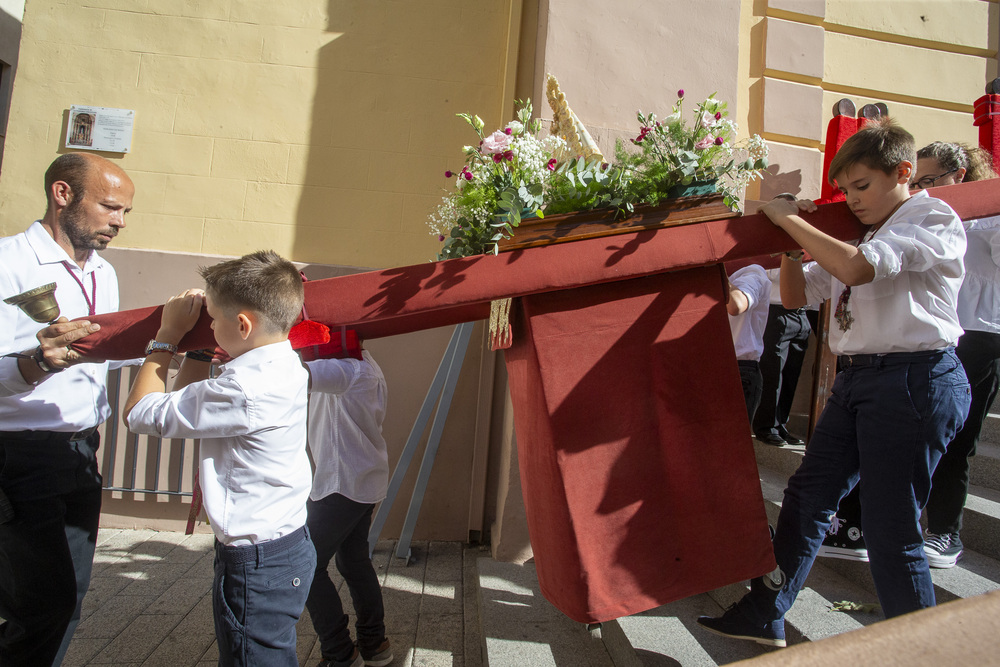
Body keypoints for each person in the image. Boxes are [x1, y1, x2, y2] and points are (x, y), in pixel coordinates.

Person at [697, 118, 971, 647]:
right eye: (845, 191)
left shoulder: (932, 216)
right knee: (806, 497)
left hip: (914, 380)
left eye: (862, 186)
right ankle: (765, 612)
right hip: (861, 381)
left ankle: (922, 652)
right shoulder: (862, 230)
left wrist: (792, 222)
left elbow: (859, 271)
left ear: (904, 172)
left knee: (891, 531)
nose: (852, 200)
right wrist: (789, 245)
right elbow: (800, 296)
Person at [123, 250, 315, 666]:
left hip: (256, 563)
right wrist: (198, 349)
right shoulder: (282, 363)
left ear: (243, 324)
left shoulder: (242, 389)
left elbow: (139, 414)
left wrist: (168, 337)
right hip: (286, 545)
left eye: (212, 317)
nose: (208, 325)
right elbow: (181, 401)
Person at [818, 142, 1000, 569]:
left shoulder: (973, 215)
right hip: (912, 339)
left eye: (929, 180)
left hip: (978, 328)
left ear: (961, 176)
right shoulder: (908, 215)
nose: (920, 187)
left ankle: (945, 530)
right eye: (917, 180)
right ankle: (857, 524)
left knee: (956, 441)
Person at [0, 153, 134, 666]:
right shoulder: (9, 262)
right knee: (41, 606)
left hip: (80, 451)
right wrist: (36, 364)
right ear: (62, 194)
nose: (119, 221)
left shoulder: (104, 273)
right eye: (109, 207)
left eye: (125, 212)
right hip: (20, 456)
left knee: (70, 597)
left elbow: (98, 361)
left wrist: (172, 344)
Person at [304, 351, 394, 667]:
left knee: (304, 565)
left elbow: (293, 375)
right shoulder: (366, 363)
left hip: (340, 485)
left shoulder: (342, 369)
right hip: (359, 482)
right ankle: (374, 644)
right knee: (354, 562)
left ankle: (340, 653)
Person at [753, 267, 813, 447]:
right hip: (777, 310)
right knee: (773, 372)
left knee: (791, 374)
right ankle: (766, 427)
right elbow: (770, 273)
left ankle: (781, 424)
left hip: (802, 312)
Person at [726, 264, 771, 423]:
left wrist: (714, 271)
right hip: (701, 367)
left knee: (731, 442)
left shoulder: (752, 272)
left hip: (738, 370)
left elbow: (736, 305)